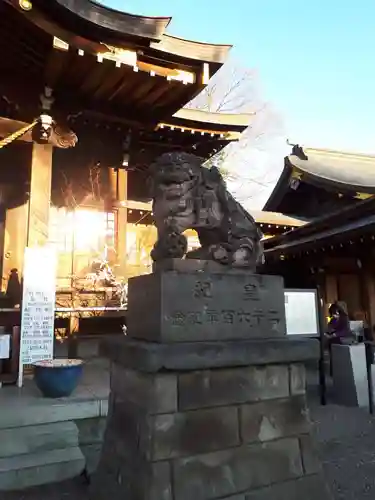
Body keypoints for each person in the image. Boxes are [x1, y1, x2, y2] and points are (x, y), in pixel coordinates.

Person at [326, 302, 352, 375]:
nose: (333, 315)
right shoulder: (333, 320)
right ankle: (334, 373)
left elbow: (346, 330)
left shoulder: (345, 318)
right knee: (333, 357)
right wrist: (329, 331)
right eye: (332, 314)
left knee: (340, 358)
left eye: (335, 313)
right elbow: (329, 327)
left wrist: (335, 334)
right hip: (333, 341)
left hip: (342, 340)